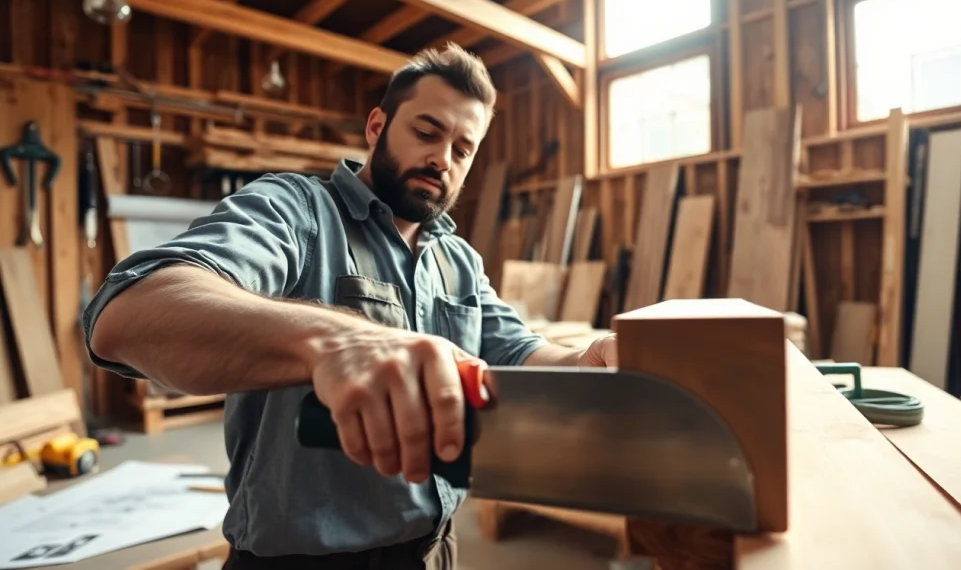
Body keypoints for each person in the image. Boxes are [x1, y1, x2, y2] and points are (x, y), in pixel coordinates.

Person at [82, 42, 617, 570]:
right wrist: (338, 340)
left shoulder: (458, 259)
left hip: (435, 551)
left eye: (462, 150)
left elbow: (517, 349)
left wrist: (582, 360)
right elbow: (128, 311)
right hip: (302, 561)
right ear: (377, 127)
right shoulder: (296, 211)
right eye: (427, 133)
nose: (441, 159)